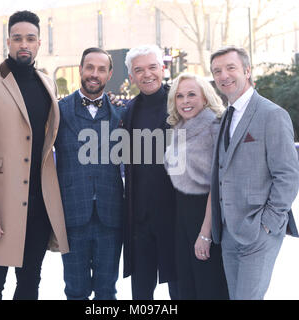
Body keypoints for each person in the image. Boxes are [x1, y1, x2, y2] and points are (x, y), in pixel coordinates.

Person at [0, 10, 69, 300]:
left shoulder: (48, 83)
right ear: (8, 42)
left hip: (39, 206)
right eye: (18, 38)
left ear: (39, 43)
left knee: (30, 285)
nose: (24, 44)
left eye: (30, 39)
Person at [208, 46, 299, 300]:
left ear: (247, 71)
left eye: (230, 68)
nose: (223, 75)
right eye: (217, 71)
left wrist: (267, 224)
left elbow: (288, 175)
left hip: (258, 230)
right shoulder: (227, 116)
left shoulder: (271, 114)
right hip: (229, 233)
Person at [55, 47, 124, 300]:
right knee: (75, 291)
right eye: (89, 67)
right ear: (81, 69)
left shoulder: (121, 113)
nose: (94, 74)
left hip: (111, 217)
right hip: (72, 216)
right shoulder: (58, 111)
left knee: (107, 291)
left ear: (109, 74)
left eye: (101, 69)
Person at [164, 73, 229, 300]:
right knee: (186, 289)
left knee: (208, 287)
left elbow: (217, 185)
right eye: (180, 96)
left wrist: (205, 233)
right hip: (182, 219)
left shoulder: (215, 127)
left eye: (192, 94)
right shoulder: (179, 129)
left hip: (206, 218)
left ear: (205, 97)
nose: (185, 101)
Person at [122, 44, 178, 300]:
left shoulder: (181, 104)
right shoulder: (129, 112)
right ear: (131, 77)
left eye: (152, 67)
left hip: (176, 218)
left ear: (163, 68)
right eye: (139, 70)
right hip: (140, 220)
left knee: (181, 289)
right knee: (141, 294)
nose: (147, 75)